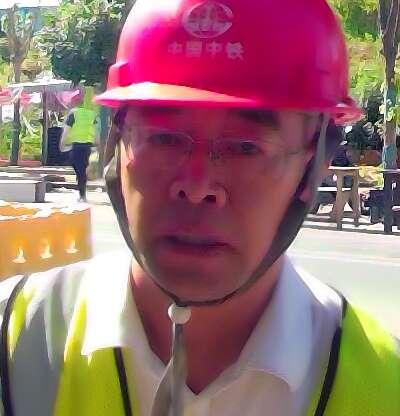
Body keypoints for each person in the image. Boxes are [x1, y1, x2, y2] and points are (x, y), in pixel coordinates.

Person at [1, 1, 399, 415]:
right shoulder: (17, 343)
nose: (197, 187)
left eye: (245, 147)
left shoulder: (386, 385)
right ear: (116, 145)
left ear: (314, 165)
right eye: (163, 138)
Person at [60, 88, 98, 202]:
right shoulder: (91, 114)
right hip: (87, 146)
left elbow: (66, 130)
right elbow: (95, 130)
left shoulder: (73, 114)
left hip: (76, 146)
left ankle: (82, 195)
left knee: (79, 169)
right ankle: (82, 193)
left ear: (74, 102)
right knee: (82, 168)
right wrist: (97, 143)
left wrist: (62, 143)